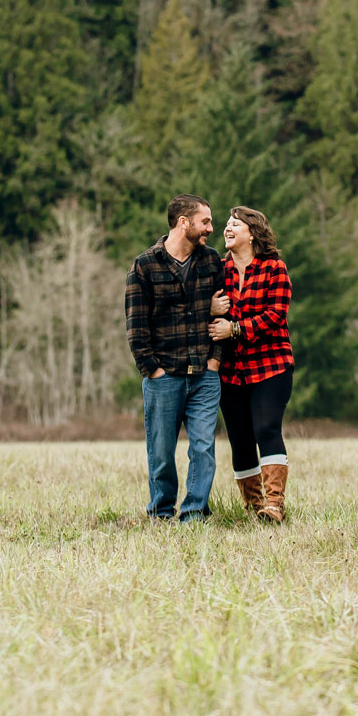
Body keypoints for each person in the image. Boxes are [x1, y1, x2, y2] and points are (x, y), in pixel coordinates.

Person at [125, 194, 227, 522]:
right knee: (161, 454)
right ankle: (161, 512)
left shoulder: (211, 262)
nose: (211, 228)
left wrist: (214, 362)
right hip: (163, 375)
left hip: (204, 373)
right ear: (183, 223)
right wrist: (151, 370)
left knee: (203, 449)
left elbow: (221, 315)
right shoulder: (144, 266)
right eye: (205, 221)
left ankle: (194, 513)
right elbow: (136, 328)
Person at [212, 205, 294, 522]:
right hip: (232, 371)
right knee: (240, 438)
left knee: (266, 428)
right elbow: (204, 310)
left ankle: (274, 504)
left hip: (272, 365)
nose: (227, 229)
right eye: (226, 225)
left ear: (252, 232)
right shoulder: (219, 272)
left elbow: (275, 316)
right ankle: (254, 506)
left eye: (234, 224)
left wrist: (234, 328)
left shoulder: (274, 269)